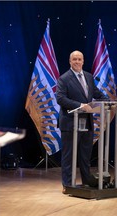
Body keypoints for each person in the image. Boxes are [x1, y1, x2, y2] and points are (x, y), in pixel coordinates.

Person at [56, 50, 108, 194]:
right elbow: (60, 99)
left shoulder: (89, 77)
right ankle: (67, 185)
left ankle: (86, 182)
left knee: (85, 155)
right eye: (75, 59)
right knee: (68, 155)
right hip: (70, 122)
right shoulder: (64, 79)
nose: (77, 62)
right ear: (70, 61)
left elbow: (96, 93)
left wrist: (108, 101)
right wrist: (80, 106)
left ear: (83, 61)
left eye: (80, 59)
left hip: (87, 122)